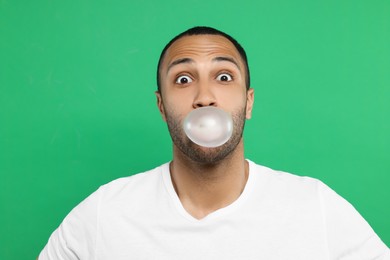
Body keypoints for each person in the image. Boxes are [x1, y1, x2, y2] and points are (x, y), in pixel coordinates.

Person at [39, 26, 390, 259]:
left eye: (223, 77)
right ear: (161, 106)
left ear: (248, 102)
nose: (204, 96)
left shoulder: (316, 208)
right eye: (183, 79)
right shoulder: (104, 214)